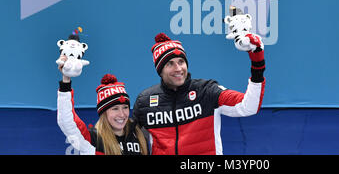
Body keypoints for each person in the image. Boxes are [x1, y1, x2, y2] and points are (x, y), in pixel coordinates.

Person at [132, 32, 266, 155]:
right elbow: (132, 143)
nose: (178, 68)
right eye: (170, 64)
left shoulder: (207, 91)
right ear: (160, 70)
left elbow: (249, 106)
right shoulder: (145, 101)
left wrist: (257, 63)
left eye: (181, 62)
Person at [56, 38, 149, 155]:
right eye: (115, 109)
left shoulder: (139, 136)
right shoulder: (92, 140)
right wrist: (66, 81)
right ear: (104, 112)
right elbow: (66, 120)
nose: (122, 114)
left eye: (125, 107)